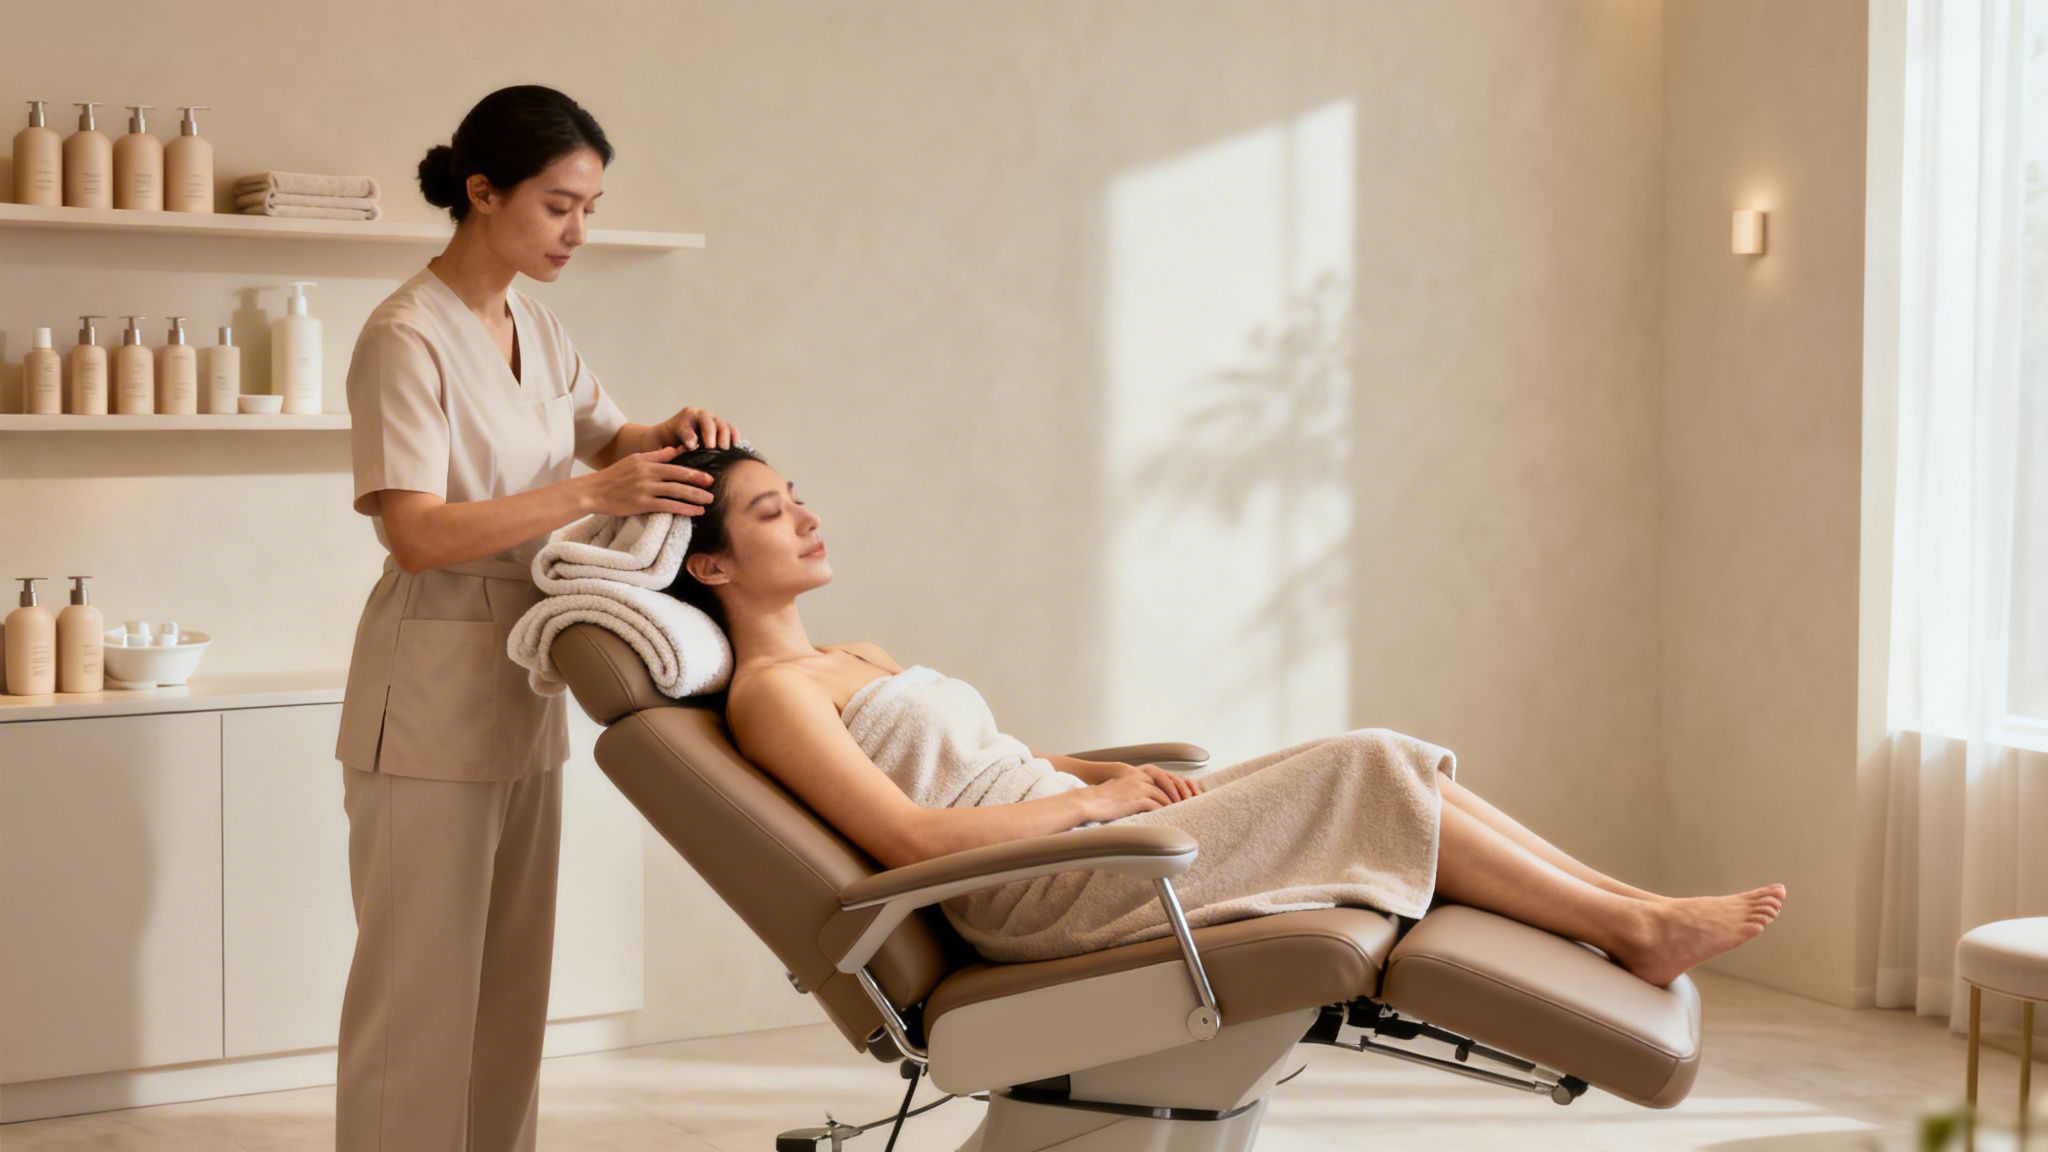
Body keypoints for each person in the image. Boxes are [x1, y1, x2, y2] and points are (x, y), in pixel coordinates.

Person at [661, 444, 1786, 988]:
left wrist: (1098, 772)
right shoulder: (772, 698)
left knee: (1384, 758)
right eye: (769, 512)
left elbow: (996, 758)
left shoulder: (854, 653)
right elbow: (907, 840)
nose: (806, 517)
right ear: (708, 561)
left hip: (1080, 833)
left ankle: (1633, 912)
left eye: (794, 494)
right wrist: (1098, 801)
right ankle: (1635, 930)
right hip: (1031, 894)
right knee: (1368, 763)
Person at [334, 85, 738, 1151]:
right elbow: (414, 532)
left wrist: (673, 430)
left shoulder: (535, 325)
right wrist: (590, 497)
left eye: (590, 206)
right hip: (423, 700)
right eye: (559, 205)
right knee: (416, 996)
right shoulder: (403, 337)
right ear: (483, 192)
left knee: (509, 989)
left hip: (522, 685)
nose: (578, 231)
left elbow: (613, 438)